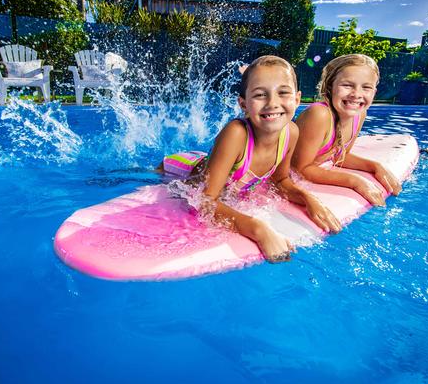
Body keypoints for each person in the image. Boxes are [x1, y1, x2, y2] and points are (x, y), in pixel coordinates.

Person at [159, 56, 340, 263]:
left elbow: (280, 181)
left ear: (297, 99)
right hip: (177, 167)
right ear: (243, 104)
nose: (273, 103)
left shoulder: (291, 132)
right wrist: (258, 229)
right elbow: (204, 200)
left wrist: (309, 200)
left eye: (283, 93)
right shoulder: (236, 133)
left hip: (211, 160)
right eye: (260, 95)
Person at [292, 54, 402, 208]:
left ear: (374, 92)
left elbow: (340, 156)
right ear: (330, 87)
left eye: (366, 87)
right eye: (347, 85)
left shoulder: (359, 114)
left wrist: (375, 167)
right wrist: (354, 181)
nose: (356, 94)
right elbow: (300, 169)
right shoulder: (319, 115)